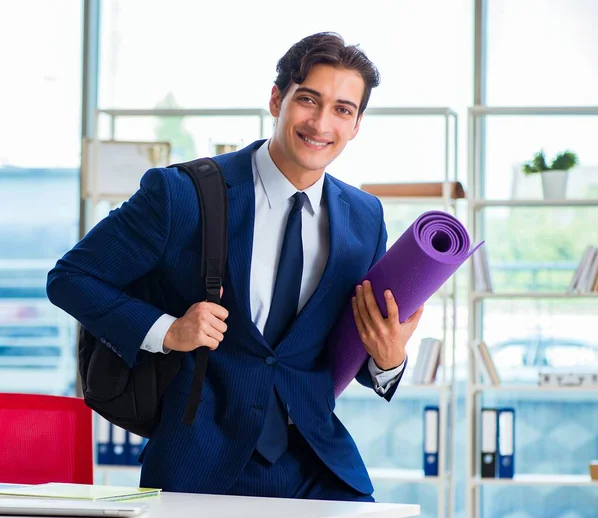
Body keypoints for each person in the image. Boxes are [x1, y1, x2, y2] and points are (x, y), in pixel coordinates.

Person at [47, 32, 423, 502]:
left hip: (316, 463)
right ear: (276, 99)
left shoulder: (364, 218)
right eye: (309, 100)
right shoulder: (182, 194)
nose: (322, 122)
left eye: (342, 109)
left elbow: (351, 353)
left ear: (357, 123)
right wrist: (167, 331)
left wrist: (389, 360)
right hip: (200, 460)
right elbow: (70, 278)